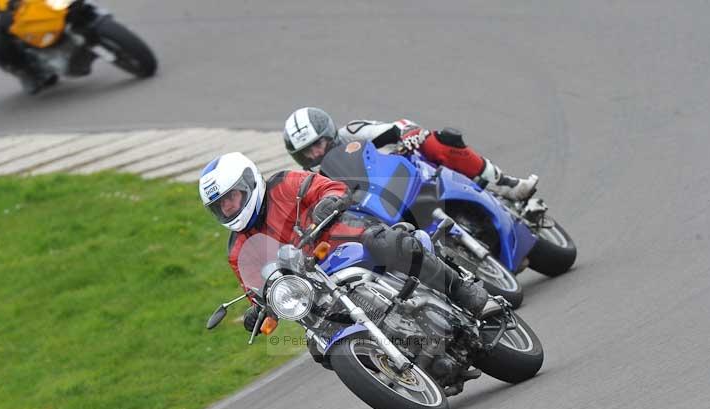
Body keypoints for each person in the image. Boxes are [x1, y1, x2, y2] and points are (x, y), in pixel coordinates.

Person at [198, 152, 496, 336]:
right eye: (220, 206)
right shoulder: (238, 249)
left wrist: (328, 202)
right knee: (319, 346)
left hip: (342, 243)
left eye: (231, 198)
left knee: (390, 243)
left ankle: (461, 290)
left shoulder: (285, 184)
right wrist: (260, 309)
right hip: (314, 288)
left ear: (249, 183)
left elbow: (328, 187)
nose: (228, 209)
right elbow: (259, 289)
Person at [283, 107, 539, 201]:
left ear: (329, 133)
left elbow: (398, 127)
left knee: (437, 141)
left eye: (318, 144)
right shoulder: (317, 183)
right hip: (384, 205)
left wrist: (408, 135)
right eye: (306, 152)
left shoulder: (353, 131)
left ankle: (505, 184)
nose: (315, 153)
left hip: (409, 174)